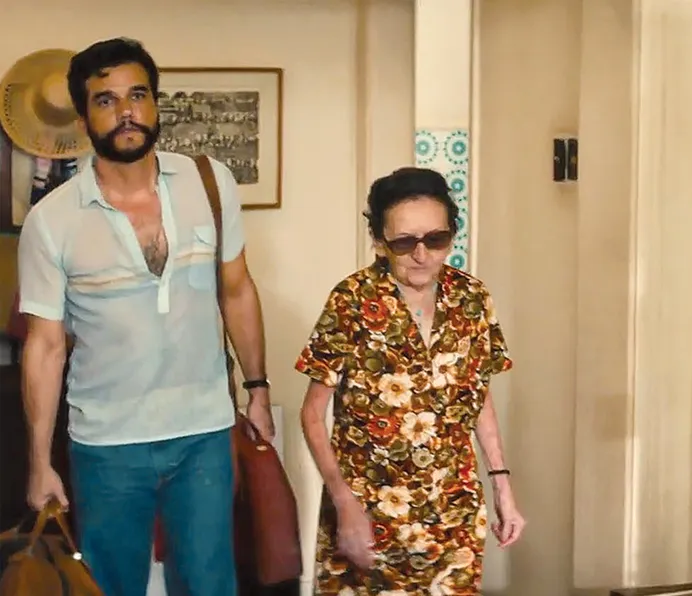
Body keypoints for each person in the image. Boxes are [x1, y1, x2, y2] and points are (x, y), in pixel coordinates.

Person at [17, 37, 273, 596]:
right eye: (105, 100)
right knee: (110, 585)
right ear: (83, 120)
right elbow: (44, 345)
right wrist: (39, 461)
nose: (126, 111)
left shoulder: (210, 183)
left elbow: (236, 291)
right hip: (107, 440)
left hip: (203, 431)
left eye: (137, 95)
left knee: (208, 584)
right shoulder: (51, 221)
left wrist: (258, 389)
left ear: (156, 104)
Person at [296, 167, 526, 594]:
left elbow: (478, 398)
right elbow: (312, 414)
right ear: (379, 241)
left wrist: (502, 487)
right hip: (367, 516)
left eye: (436, 239)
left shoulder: (472, 299)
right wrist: (343, 503)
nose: (422, 255)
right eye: (404, 243)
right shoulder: (351, 300)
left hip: (453, 513)